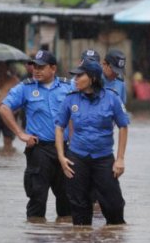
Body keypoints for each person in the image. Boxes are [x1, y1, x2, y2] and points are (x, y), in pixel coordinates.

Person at [0, 50, 73, 221]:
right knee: (37, 198)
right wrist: (20, 133)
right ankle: (36, 239)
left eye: (41, 67)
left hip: (66, 150)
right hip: (39, 150)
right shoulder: (25, 88)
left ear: (53, 68)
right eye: (34, 67)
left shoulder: (68, 87)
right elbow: (4, 108)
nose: (36, 70)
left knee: (67, 200)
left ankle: (66, 240)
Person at [55, 58, 129, 226]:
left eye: (80, 76)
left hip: (103, 158)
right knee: (79, 207)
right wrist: (61, 156)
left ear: (93, 78)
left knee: (114, 206)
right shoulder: (71, 99)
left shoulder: (112, 98)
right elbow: (59, 127)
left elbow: (123, 127)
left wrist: (120, 158)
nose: (75, 79)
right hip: (77, 158)